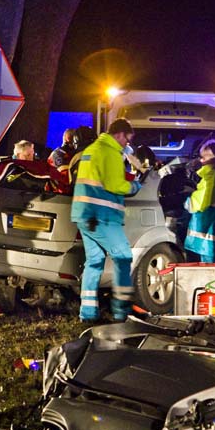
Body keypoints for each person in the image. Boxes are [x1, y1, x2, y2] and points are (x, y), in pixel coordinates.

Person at [70, 118, 140, 322]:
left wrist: (126, 156)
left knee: (94, 261)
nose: (127, 144)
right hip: (103, 216)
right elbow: (116, 185)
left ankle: (88, 313)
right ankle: (122, 311)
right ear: (119, 135)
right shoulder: (109, 152)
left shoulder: (94, 148)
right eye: (127, 140)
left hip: (85, 215)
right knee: (124, 257)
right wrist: (136, 186)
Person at [184, 140, 215, 263]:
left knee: (208, 269)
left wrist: (187, 200)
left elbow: (197, 202)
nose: (201, 161)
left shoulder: (210, 176)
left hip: (205, 235)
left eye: (204, 157)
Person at [46, 129, 76, 193]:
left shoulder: (55, 153)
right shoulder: (63, 155)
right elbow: (65, 179)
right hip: (60, 195)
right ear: (68, 138)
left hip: (54, 194)